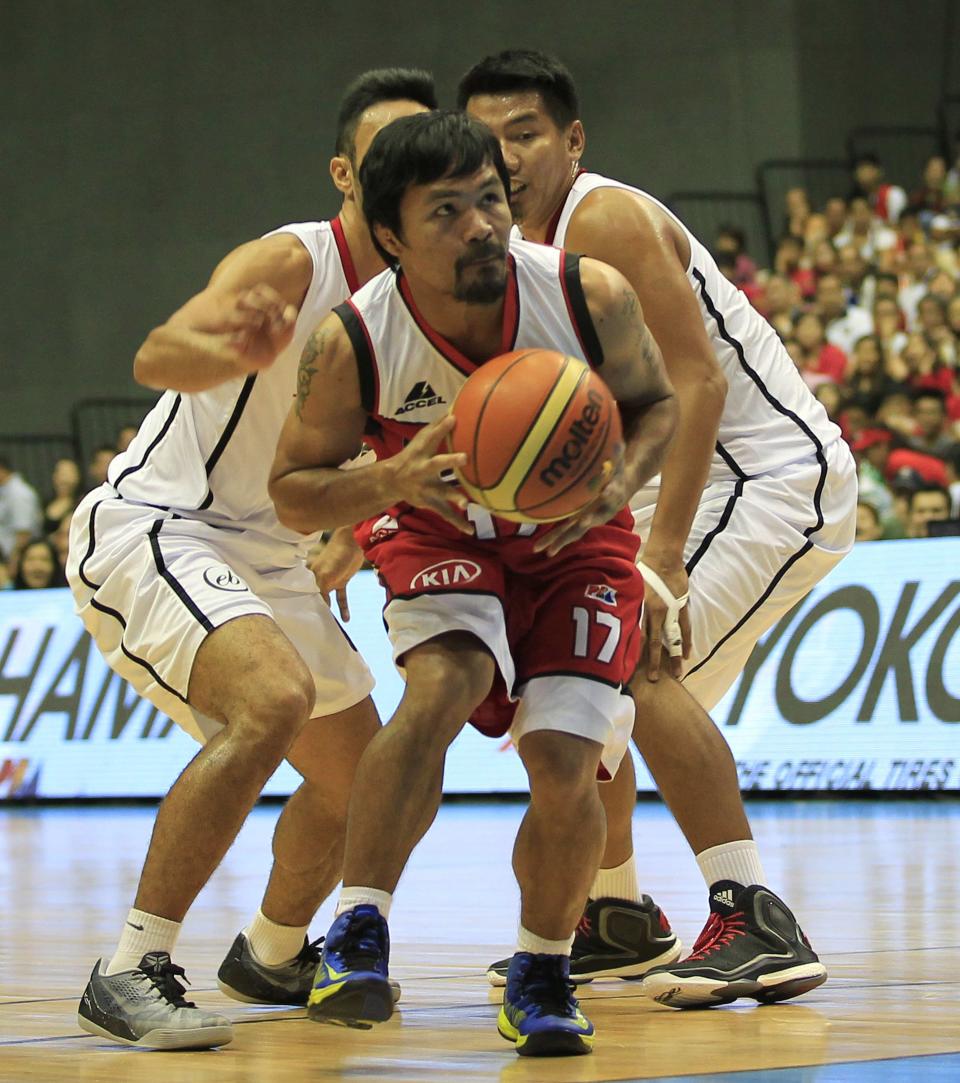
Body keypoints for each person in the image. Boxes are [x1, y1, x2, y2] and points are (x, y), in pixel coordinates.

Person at [269, 110, 678, 1056]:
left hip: (579, 542)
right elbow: (293, 492)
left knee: (567, 756)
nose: (482, 224)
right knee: (444, 682)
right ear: (388, 236)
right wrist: (387, 481)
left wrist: (618, 480)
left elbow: (658, 402)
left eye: (489, 198)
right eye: (446, 210)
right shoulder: (351, 341)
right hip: (435, 525)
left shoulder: (587, 291)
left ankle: (542, 965)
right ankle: (360, 926)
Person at [461, 48, 856, 1007]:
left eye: (526, 134)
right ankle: (619, 911)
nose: (506, 158)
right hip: (674, 480)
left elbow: (699, 382)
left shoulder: (604, 218)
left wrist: (663, 556)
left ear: (572, 140)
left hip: (765, 475)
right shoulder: (507, 262)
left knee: (633, 651)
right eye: (486, 141)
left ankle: (756, 913)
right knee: (575, 668)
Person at [65, 68, 437, 1051]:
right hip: (163, 524)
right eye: (379, 161)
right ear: (345, 176)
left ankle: (272, 952)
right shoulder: (292, 261)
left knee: (370, 785)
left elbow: (380, 455)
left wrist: (353, 529)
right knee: (269, 702)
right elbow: (158, 354)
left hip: (271, 551)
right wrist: (225, 347)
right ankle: (130, 966)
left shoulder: (428, 309)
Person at [0, 455, 42, 572]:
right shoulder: (5, 492)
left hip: (16, 562)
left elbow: (23, 535)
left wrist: (13, 567)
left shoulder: (19, 493)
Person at [43, 457, 82, 535]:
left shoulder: (82, 503)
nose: (64, 479)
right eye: (61, 473)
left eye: (69, 474)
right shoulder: (45, 503)